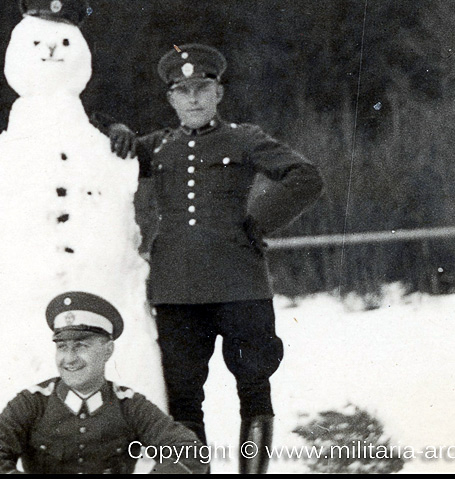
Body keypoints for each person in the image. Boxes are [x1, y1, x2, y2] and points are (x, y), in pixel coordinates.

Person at [106, 44, 324, 474]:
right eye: (182, 90)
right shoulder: (158, 147)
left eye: (202, 88)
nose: (193, 98)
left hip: (239, 283)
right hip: (176, 290)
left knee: (254, 385)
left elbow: (305, 177)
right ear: (170, 99)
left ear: (218, 93)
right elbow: (95, 150)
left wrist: (257, 221)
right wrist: (114, 129)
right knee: (183, 395)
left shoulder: (245, 138)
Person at [0, 291, 207, 474]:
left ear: (107, 350)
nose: (70, 359)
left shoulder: (130, 406)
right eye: (62, 347)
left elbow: (190, 452)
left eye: (82, 346)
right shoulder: (31, 403)